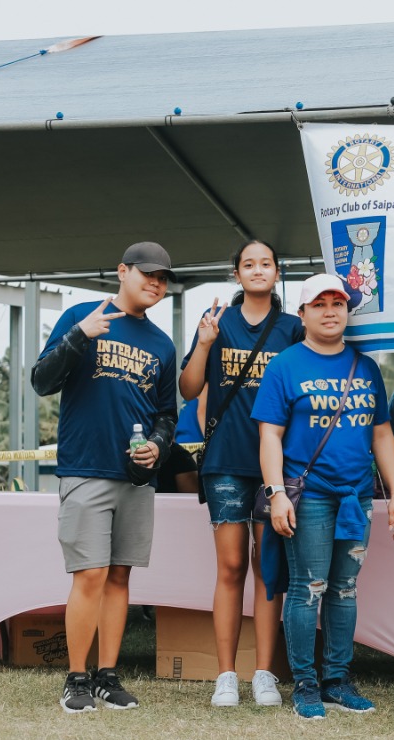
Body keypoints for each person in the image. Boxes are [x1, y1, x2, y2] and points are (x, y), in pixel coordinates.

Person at [252, 272, 394, 720]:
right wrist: (277, 493)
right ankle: (305, 685)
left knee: (344, 589)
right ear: (302, 314)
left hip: (356, 498)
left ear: (347, 311)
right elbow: (270, 437)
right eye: (318, 304)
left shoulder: (365, 367)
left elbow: (381, 434)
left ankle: (337, 680)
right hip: (310, 498)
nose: (329, 311)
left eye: (337, 304)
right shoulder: (284, 365)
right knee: (308, 589)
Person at [32, 241, 178, 713]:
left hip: (135, 479)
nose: (155, 283)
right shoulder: (81, 314)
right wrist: (80, 334)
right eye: (147, 274)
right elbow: (40, 381)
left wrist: (158, 445)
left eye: (162, 278)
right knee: (89, 574)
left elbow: (166, 414)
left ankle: (107, 677)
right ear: (122, 272)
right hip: (85, 468)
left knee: (119, 576)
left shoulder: (162, 344)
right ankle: (75, 679)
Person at [179, 240, 305, 709]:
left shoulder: (294, 328)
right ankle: (226, 675)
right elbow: (189, 389)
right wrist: (205, 343)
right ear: (236, 275)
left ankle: (265, 674)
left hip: (279, 468)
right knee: (231, 567)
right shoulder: (218, 323)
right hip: (227, 462)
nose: (257, 270)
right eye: (248, 264)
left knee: (267, 569)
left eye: (265, 264)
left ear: (277, 273)